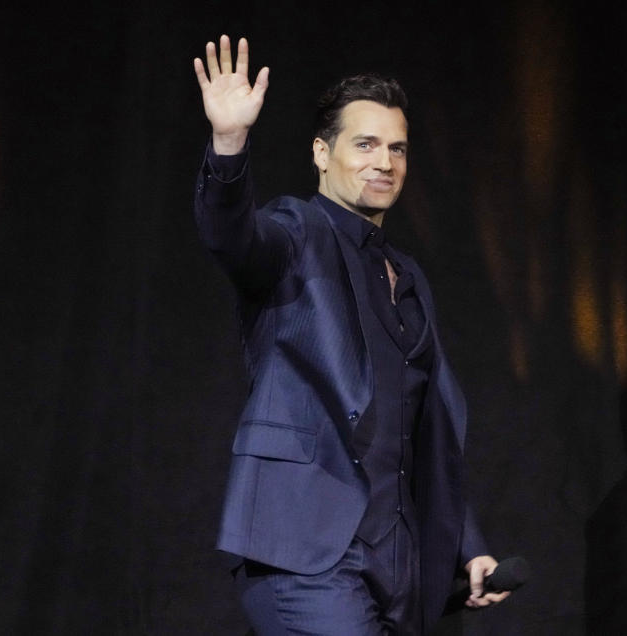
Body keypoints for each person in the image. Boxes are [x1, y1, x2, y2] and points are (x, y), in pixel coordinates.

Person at [192, 35, 510, 634]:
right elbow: (231, 237)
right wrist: (229, 142)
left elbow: (422, 432)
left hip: (396, 563)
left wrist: (467, 545)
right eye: (365, 145)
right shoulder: (296, 231)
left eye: (398, 149)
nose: (384, 163)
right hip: (305, 551)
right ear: (321, 152)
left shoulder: (407, 276)